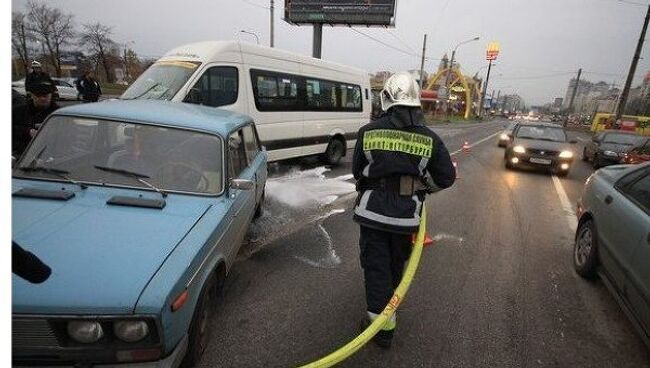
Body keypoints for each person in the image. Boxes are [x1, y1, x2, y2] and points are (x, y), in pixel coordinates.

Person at [352, 72, 456, 349]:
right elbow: (446, 177)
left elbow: (357, 172)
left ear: (386, 99)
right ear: (415, 102)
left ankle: (382, 329)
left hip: (371, 213)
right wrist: (420, 190)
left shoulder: (368, 132)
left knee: (376, 267)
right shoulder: (430, 139)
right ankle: (388, 308)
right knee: (395, 264)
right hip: (407, 217)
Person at [12, 81, 59, 156]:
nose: (42, 99)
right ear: (32, 95)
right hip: (21, 152)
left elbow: (65, 134)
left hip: (49, 153)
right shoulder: (18, 111)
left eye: (45, 95)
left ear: (51, 95)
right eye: (38, 95)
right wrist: (27, 131)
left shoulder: (58, 113)